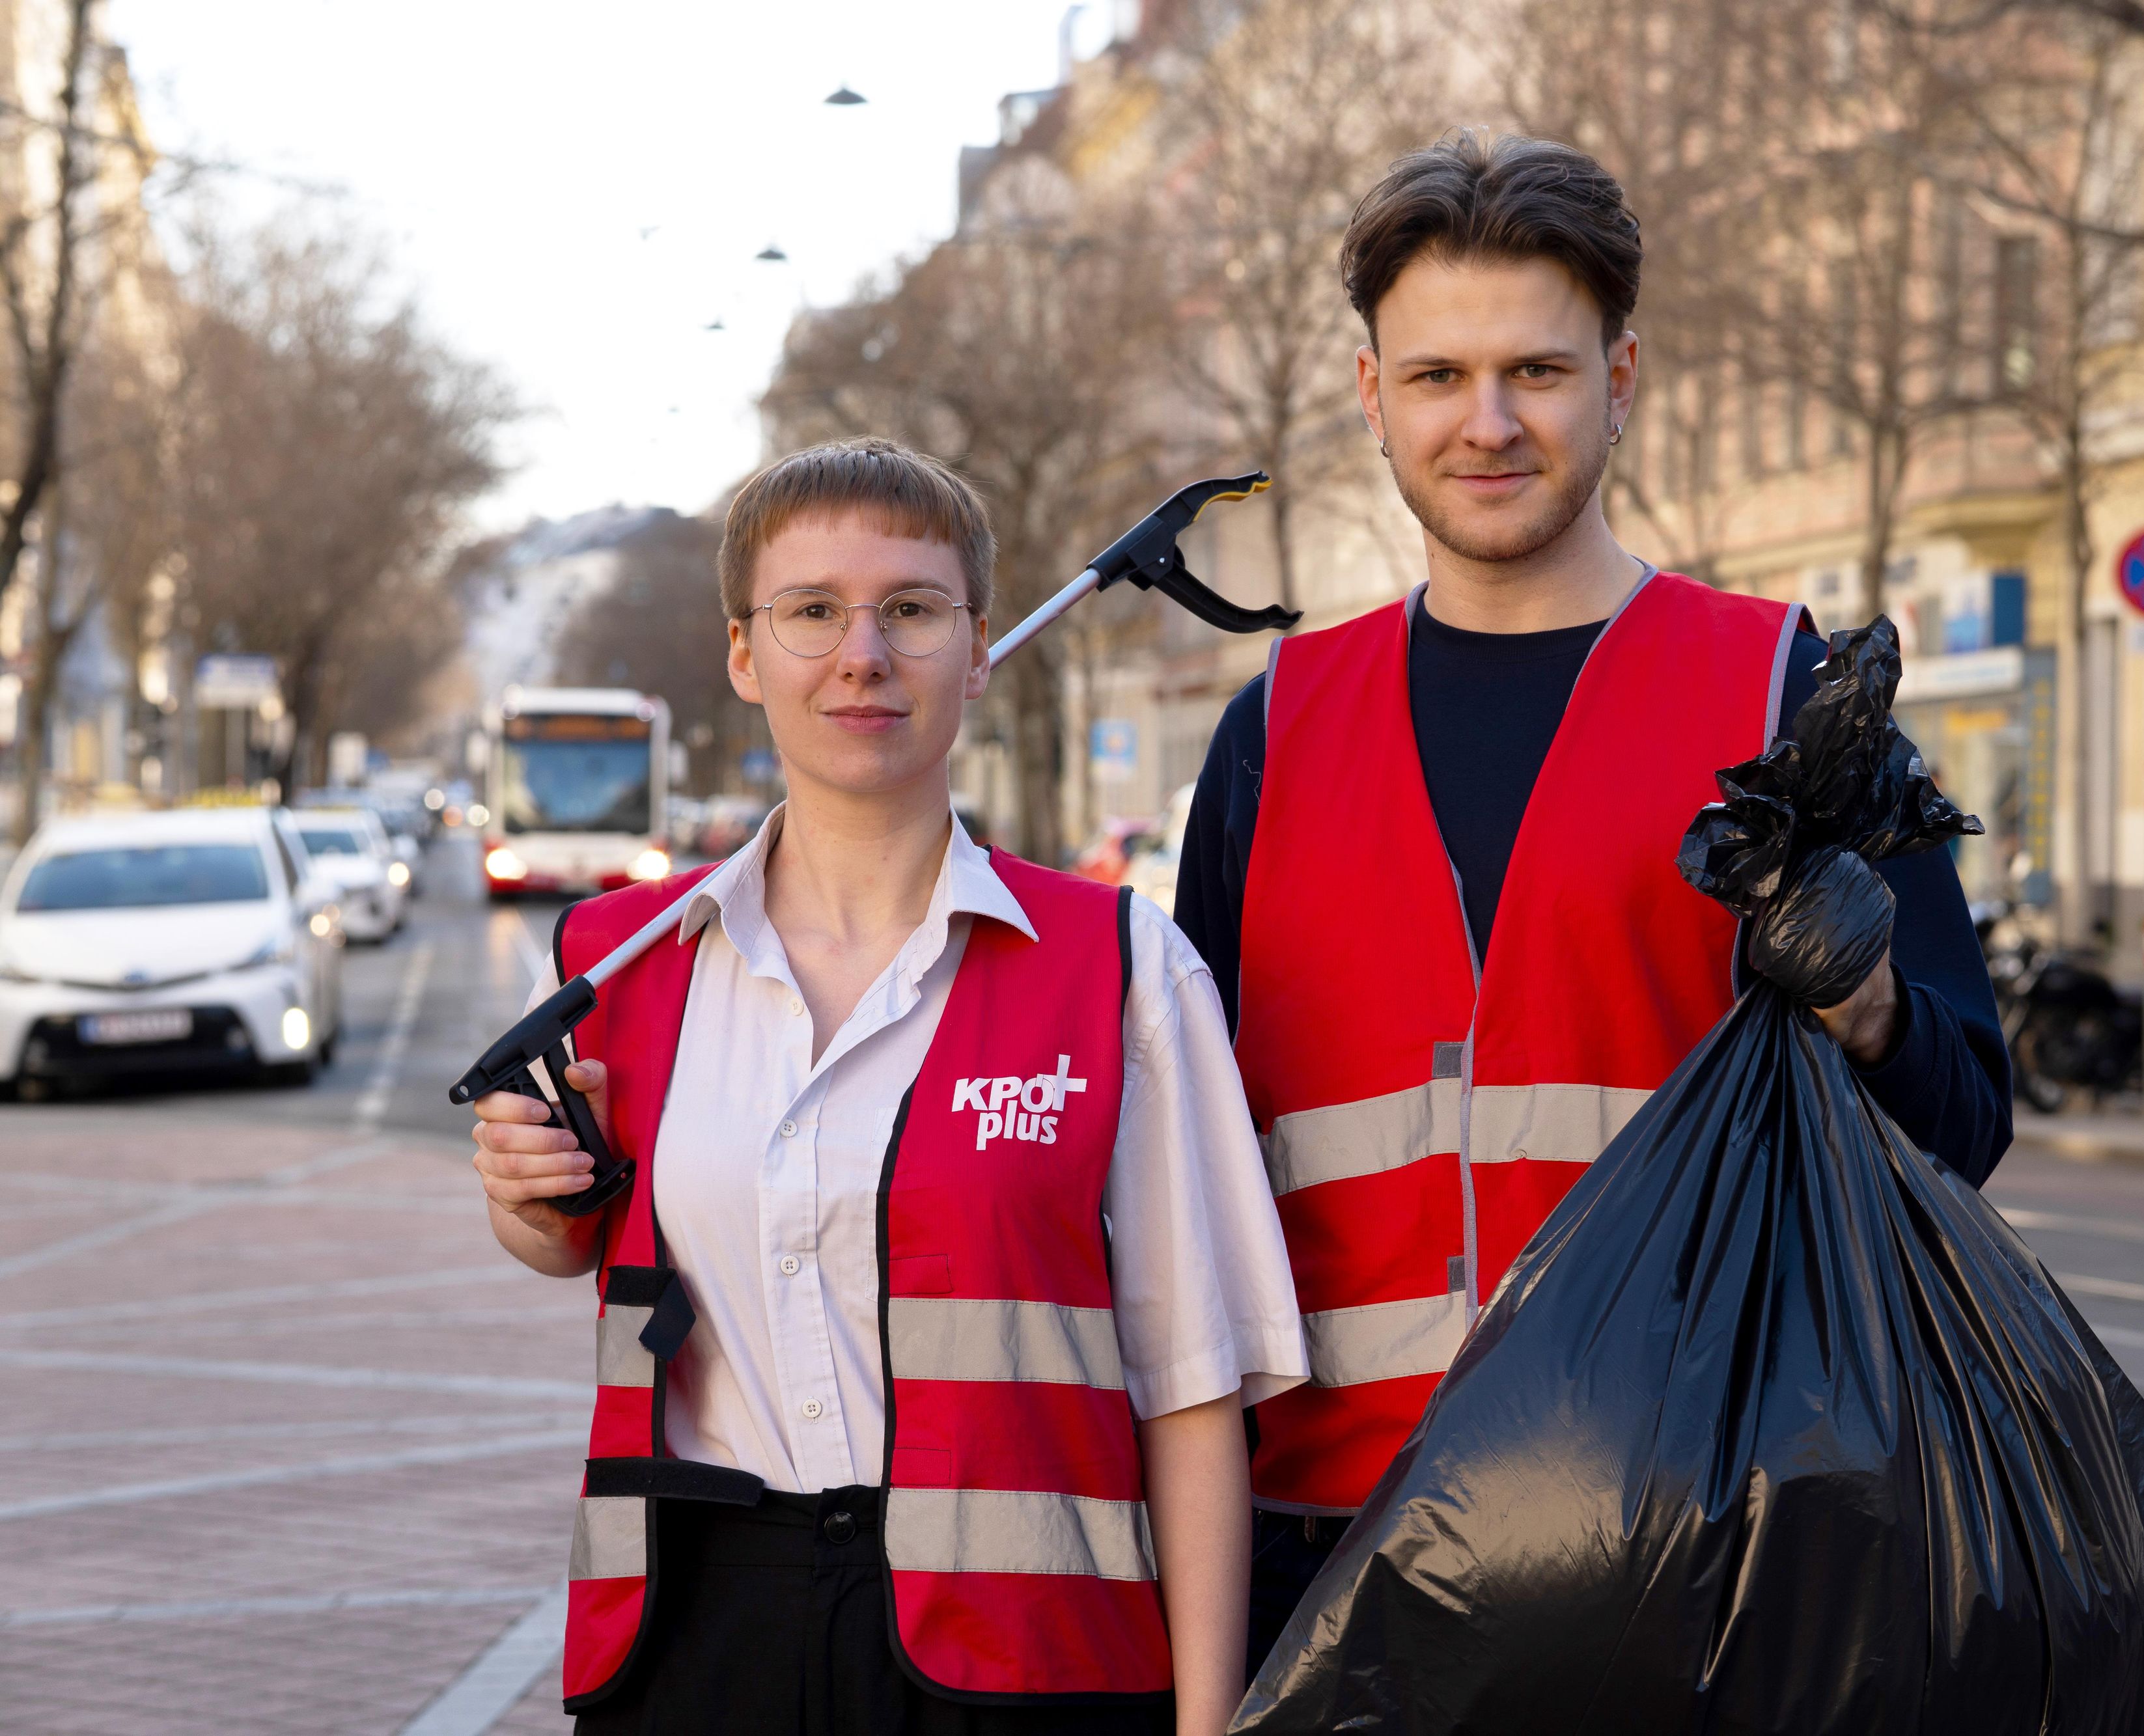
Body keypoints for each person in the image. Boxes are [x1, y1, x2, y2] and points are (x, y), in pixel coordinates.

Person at [1164, 131, 2018, 1674]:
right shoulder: (1273, 729)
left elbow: (1964, 1130)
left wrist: (1870, 1003)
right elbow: (1180, 1181)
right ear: (1371, 398)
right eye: (1434, 377)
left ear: (1619, 377)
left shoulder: (1787, 696)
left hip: (1698, 1556)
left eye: (1534, 373)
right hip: (1333, 1560)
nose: (1485, 424)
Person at [468, 439, 1308, 1736]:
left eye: (911, 609)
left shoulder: (1122, 970)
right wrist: (528, 1202)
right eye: (811, 611)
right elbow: (582, 1243)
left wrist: (1209, 1726)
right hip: (695, 1642)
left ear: (977, 651)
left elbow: (1192, 1392)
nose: (862, 655)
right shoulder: (616, 966)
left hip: (1034, 1665)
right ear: (745, 654)